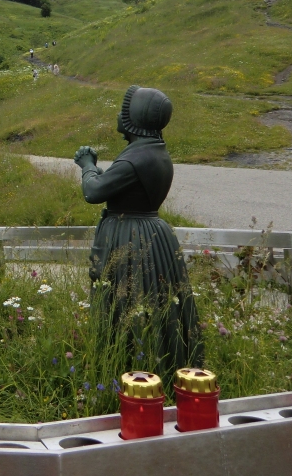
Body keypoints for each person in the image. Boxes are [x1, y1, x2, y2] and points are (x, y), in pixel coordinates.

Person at [73, 86, 202, 376]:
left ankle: (130, 365)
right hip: (154, 234)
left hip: (130, 235)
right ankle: (164, 359)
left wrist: (87, 165)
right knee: (156, 300)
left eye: (124, 110)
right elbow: (123, 186)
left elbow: (93, 192)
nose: (119, 114)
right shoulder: (153, 152)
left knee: (127, 301)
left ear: (136, 118)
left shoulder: (136, 157)